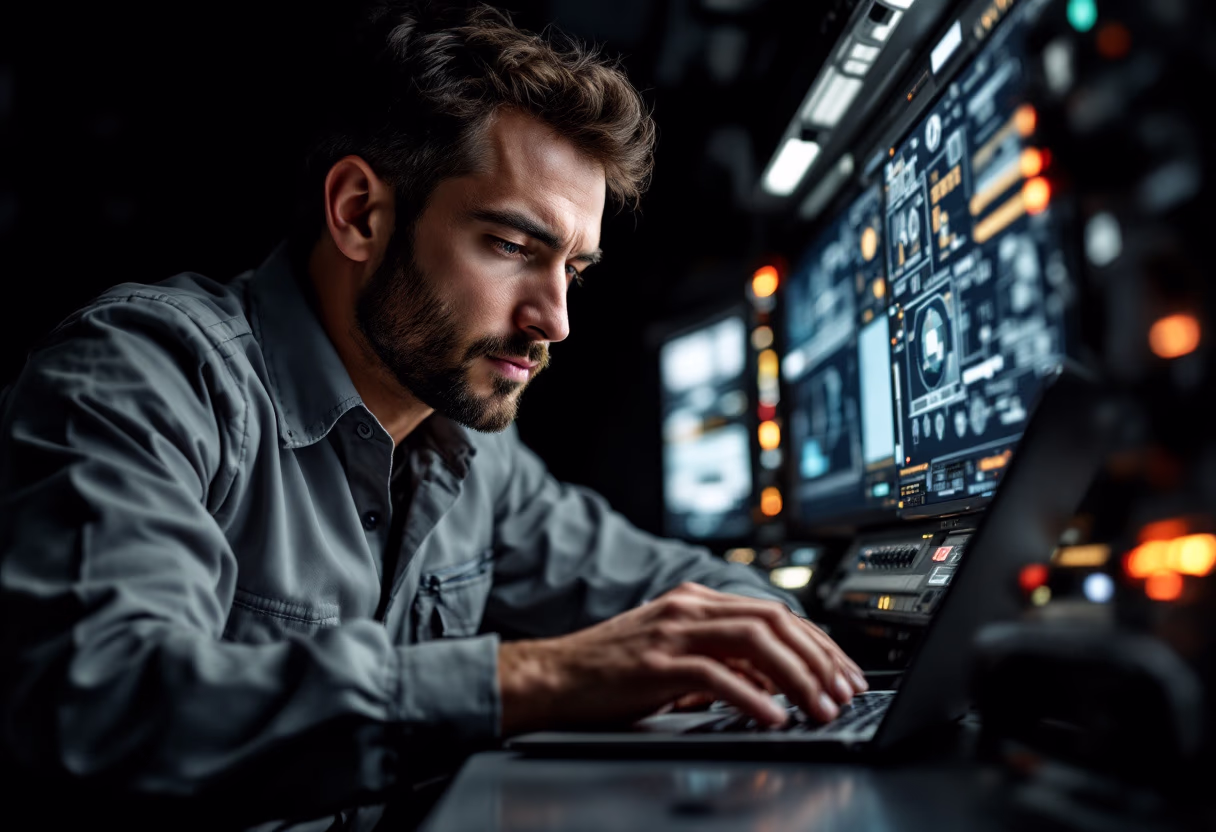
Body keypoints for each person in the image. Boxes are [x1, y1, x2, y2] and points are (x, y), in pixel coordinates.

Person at [0, 2, 865, 829]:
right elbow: (102, 705)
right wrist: (532, 681)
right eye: (514, 248)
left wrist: (762, 645)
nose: (555, 320)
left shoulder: (472, 448)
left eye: (575, 269)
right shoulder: (143, 378)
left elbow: (696, 596)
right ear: (360, 214)